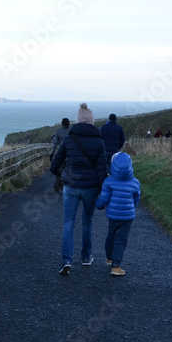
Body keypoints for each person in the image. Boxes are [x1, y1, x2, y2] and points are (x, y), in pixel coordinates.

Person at [50, 103, 108, 275]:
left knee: (68, 222)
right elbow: (102, 169)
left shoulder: (69, 139)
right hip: (90, 187)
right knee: (87, 221)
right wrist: (103, 190)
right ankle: (86, 257)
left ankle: (67, 260)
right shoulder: (99, 141)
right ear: (91, 122)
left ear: (77, 121)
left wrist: (62, 175)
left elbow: (54, 165)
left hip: (70, 186)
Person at [95, 152, 141, 276]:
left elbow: (104, 198)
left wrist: (98, 205)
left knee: (111, 235)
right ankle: (116, 266)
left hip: (113, 215)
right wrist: (132, 207)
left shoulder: (109, 181)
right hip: (128, 217)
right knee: (122, 239)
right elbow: (136, 199)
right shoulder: (135, 182)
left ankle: (109, 258)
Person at [49, 118, 71, 193]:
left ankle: (57, 186)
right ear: (69, 123)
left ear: (62, 123)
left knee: (59, 170)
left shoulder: (58, 131)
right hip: (70, 152)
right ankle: (66, 186)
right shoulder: (71, 131)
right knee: (68, 170)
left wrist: (51, 153)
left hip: (61, 152)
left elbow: (55, 144)